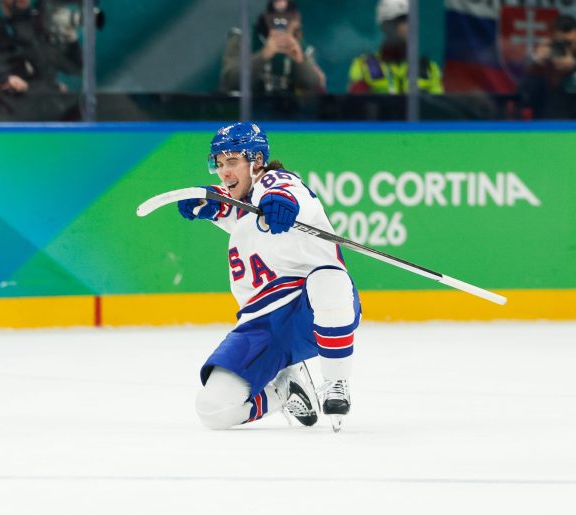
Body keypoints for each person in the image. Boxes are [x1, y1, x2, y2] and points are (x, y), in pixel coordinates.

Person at [176, 122, 361, 431]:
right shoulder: (243, 205)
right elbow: (229, 207)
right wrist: (205, 201)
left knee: (328, 279)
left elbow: (286, 190)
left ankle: (336, 382)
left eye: (232, 161)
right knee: (212, 411)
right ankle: (283, 392)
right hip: (260, 326)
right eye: (219, 164)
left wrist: (282, 201)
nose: (224, 171)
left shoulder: (275, 183)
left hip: (307, 309)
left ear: (257, 160)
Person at [0, 0, 86, 121]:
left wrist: (70, 38)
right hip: (15, 120)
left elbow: (76, 67)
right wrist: (36, 88)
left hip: (52, 114)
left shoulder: (43, 27)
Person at [219, 0, 326, 95]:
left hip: (289, 108)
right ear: (266, 17)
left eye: (287, 18)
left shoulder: (303, 46)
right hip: (250, 107)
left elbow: (313, 85)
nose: (281, 23)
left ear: (296, 20)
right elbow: (230, 82)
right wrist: (263, 55)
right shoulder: (242, 37)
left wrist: (299, 61)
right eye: (275, 18)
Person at [347, 0, 442, 94]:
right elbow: (353, 101)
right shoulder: (364, 66)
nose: (413, 27)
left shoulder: (429, 69)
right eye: (405, 21)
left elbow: (438, 102)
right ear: (388, 26)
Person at [519, 15, 576, 119]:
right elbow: (526, 98)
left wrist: (574, 69)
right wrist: (537, 63)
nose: (565, 48)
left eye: (568, 43)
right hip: (545, 122)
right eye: (560, 44)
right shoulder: (544, 64)